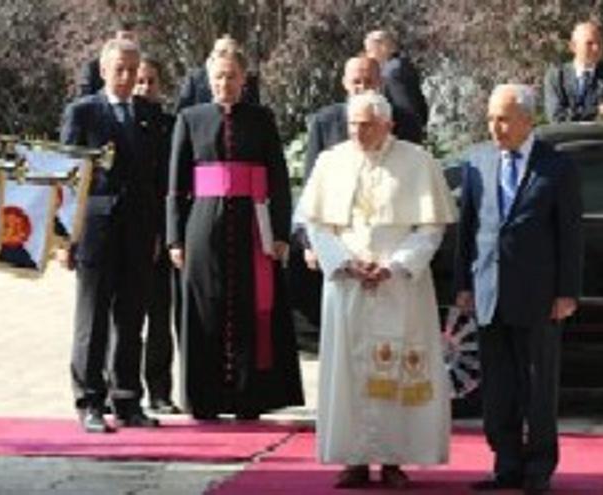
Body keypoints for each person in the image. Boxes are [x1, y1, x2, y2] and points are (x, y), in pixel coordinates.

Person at [299, 92, 454, 489]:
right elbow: (317, 225)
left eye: (365, 124)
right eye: (352, 124)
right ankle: (352, 459)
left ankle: (391, 460)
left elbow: (431, 227)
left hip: (399, 286)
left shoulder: (417, 162)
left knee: (397, 369)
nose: (357, 131)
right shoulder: (330, 162)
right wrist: (345, 262)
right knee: (348, 373)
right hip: (348, 283)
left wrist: (395, 264)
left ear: (388, 124)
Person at [455, 84, 582, 494]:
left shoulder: (557, 167)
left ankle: (539, 468)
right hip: (490, 292)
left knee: (537, 385)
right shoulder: (478, 162)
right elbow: (468, 232)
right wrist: (464, 285)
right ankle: (505, 464)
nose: (496, 127)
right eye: (491, 118)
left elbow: (569, 235)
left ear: (528, 120)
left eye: (504, 118)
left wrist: (567, 292)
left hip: (538, 295)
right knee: (498, 388)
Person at [167, 47, 304, 421]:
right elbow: (177, 187)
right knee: (204, 308)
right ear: (209, 80)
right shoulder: (190, 119)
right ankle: (205, 397)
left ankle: (249, 397)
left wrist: (279, 233)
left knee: (250, 308)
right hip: (203, 225)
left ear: (244, 79)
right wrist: (174, 238)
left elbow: (277, 178)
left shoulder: (262, 119)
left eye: (231, 76)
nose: (225, 84)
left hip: (252, 224)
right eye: (218, 77)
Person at [60, 38, 165, 433]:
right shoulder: (83, 112)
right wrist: (67, 235)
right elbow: (68, 177)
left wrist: (158, 231)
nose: (126, 77)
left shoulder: (150, 115)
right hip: (96, 228)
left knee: (131, 316)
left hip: (138, 228)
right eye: (118, 69)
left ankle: (127, 399)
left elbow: (157, 178)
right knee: (93, 316)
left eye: (132, 70)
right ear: (104, 71)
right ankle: (90, 399)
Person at [133, 57, 182, 414]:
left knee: (161, 319)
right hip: (127, 233)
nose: (144, 87)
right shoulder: (117, 123)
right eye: (139, 81)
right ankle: (119, 388)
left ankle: (161, 392)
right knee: (124, 320)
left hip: (163, 233)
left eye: (151, 81)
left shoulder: (172, 126)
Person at [544, 21, 603, 123]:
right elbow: (557, 118)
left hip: (601, 138)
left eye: (599, 43)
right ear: (573, 46)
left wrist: (575, 114)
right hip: (566, 138)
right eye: (589, 43)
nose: (596, 48)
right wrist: (597, 110)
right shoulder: (556, 77)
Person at [364, 29, 428, 143]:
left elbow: (406, 111)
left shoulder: (392, 72)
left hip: (402, 141)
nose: (368, 55)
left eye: (369, 50)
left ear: (381, 46)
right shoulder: (401, 66)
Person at [173, 35, 261, 113]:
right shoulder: (195, 78)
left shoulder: (249, 79)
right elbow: (182, 108)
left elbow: (254, 106)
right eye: (222, 52)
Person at [77, 21, 139, 97]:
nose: (127, 43)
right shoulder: (93, 68)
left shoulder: (141, 67)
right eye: (123, 38)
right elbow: (85, 96)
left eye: (130, 39)